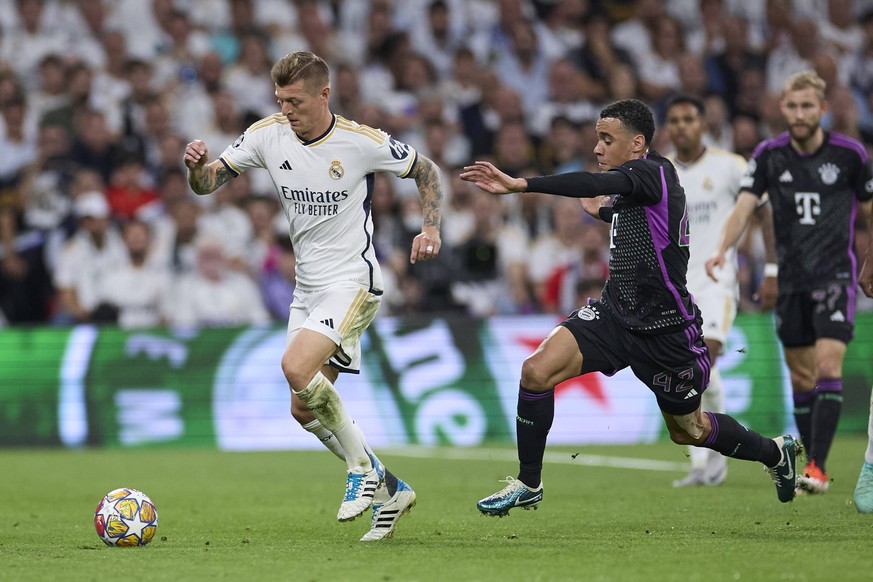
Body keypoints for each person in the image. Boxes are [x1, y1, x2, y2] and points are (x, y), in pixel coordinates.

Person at [460, 98, 799, 517]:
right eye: (597, 140)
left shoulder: (652, 171)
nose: (598, 149)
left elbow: (589, 182)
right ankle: (529, 482)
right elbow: (646, 226)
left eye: (607, 139)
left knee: (689, 430)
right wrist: (604, 212)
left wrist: (521, 185)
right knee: (535, 371)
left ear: (637, 143)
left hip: (666, 331)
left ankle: (774, 453)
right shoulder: (640, 184)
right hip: (615, 316)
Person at [183, 51, 444, 540]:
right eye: (280, 100)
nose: (286, 110)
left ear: (324, 95)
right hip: (308, 289)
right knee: (303, 407)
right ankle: (391, 489)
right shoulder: (267, 134)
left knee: (295, 369)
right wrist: (196, 168)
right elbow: (207, 184)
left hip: (353, 282)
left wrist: (429, 227)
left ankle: (362, 470)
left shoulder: (359, 141)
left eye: (295, 101)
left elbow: (425, 170)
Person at [707, 71, 873, 497]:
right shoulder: (768, 156)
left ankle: (817, 467)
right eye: (792, 106)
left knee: (828, 367)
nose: (799, 114)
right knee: (802, 378)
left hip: (835, 276)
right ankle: (809, 460)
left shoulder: (850, 155)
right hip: (793, 282)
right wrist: (722, 248)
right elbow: (744, 209)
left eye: (807, 106)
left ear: (822, 109)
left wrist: (870, 261)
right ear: (781, 109)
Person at [663, 94, 777, 488]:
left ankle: (713, 459)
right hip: (673, 287)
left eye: (688, 119)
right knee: (687, 370)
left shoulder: (730, 166)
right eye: (674, 120)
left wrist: (772, 268)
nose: (681, 127)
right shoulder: (660, 171)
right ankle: (702, 462)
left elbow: (764, 213)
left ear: (703, 124)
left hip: (715, 283)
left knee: (703, 361)